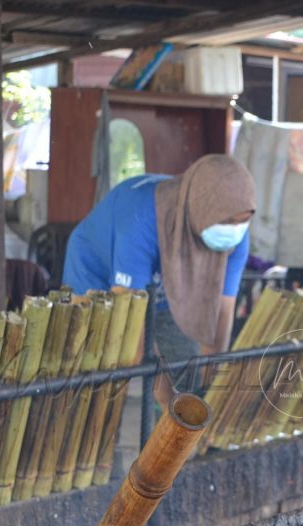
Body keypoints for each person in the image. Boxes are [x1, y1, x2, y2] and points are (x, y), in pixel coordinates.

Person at [62, 154, 255, 400]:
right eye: (227, 221)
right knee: (100, 387)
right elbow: (131, 328)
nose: (234, 229)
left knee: (189, 378)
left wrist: (207, 394)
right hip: (94, 274)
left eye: (244, 220)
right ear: (204, 208)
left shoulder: (236, 236)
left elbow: (221, 317)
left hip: (162, 286)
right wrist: (171, 406)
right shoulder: (141, 221)